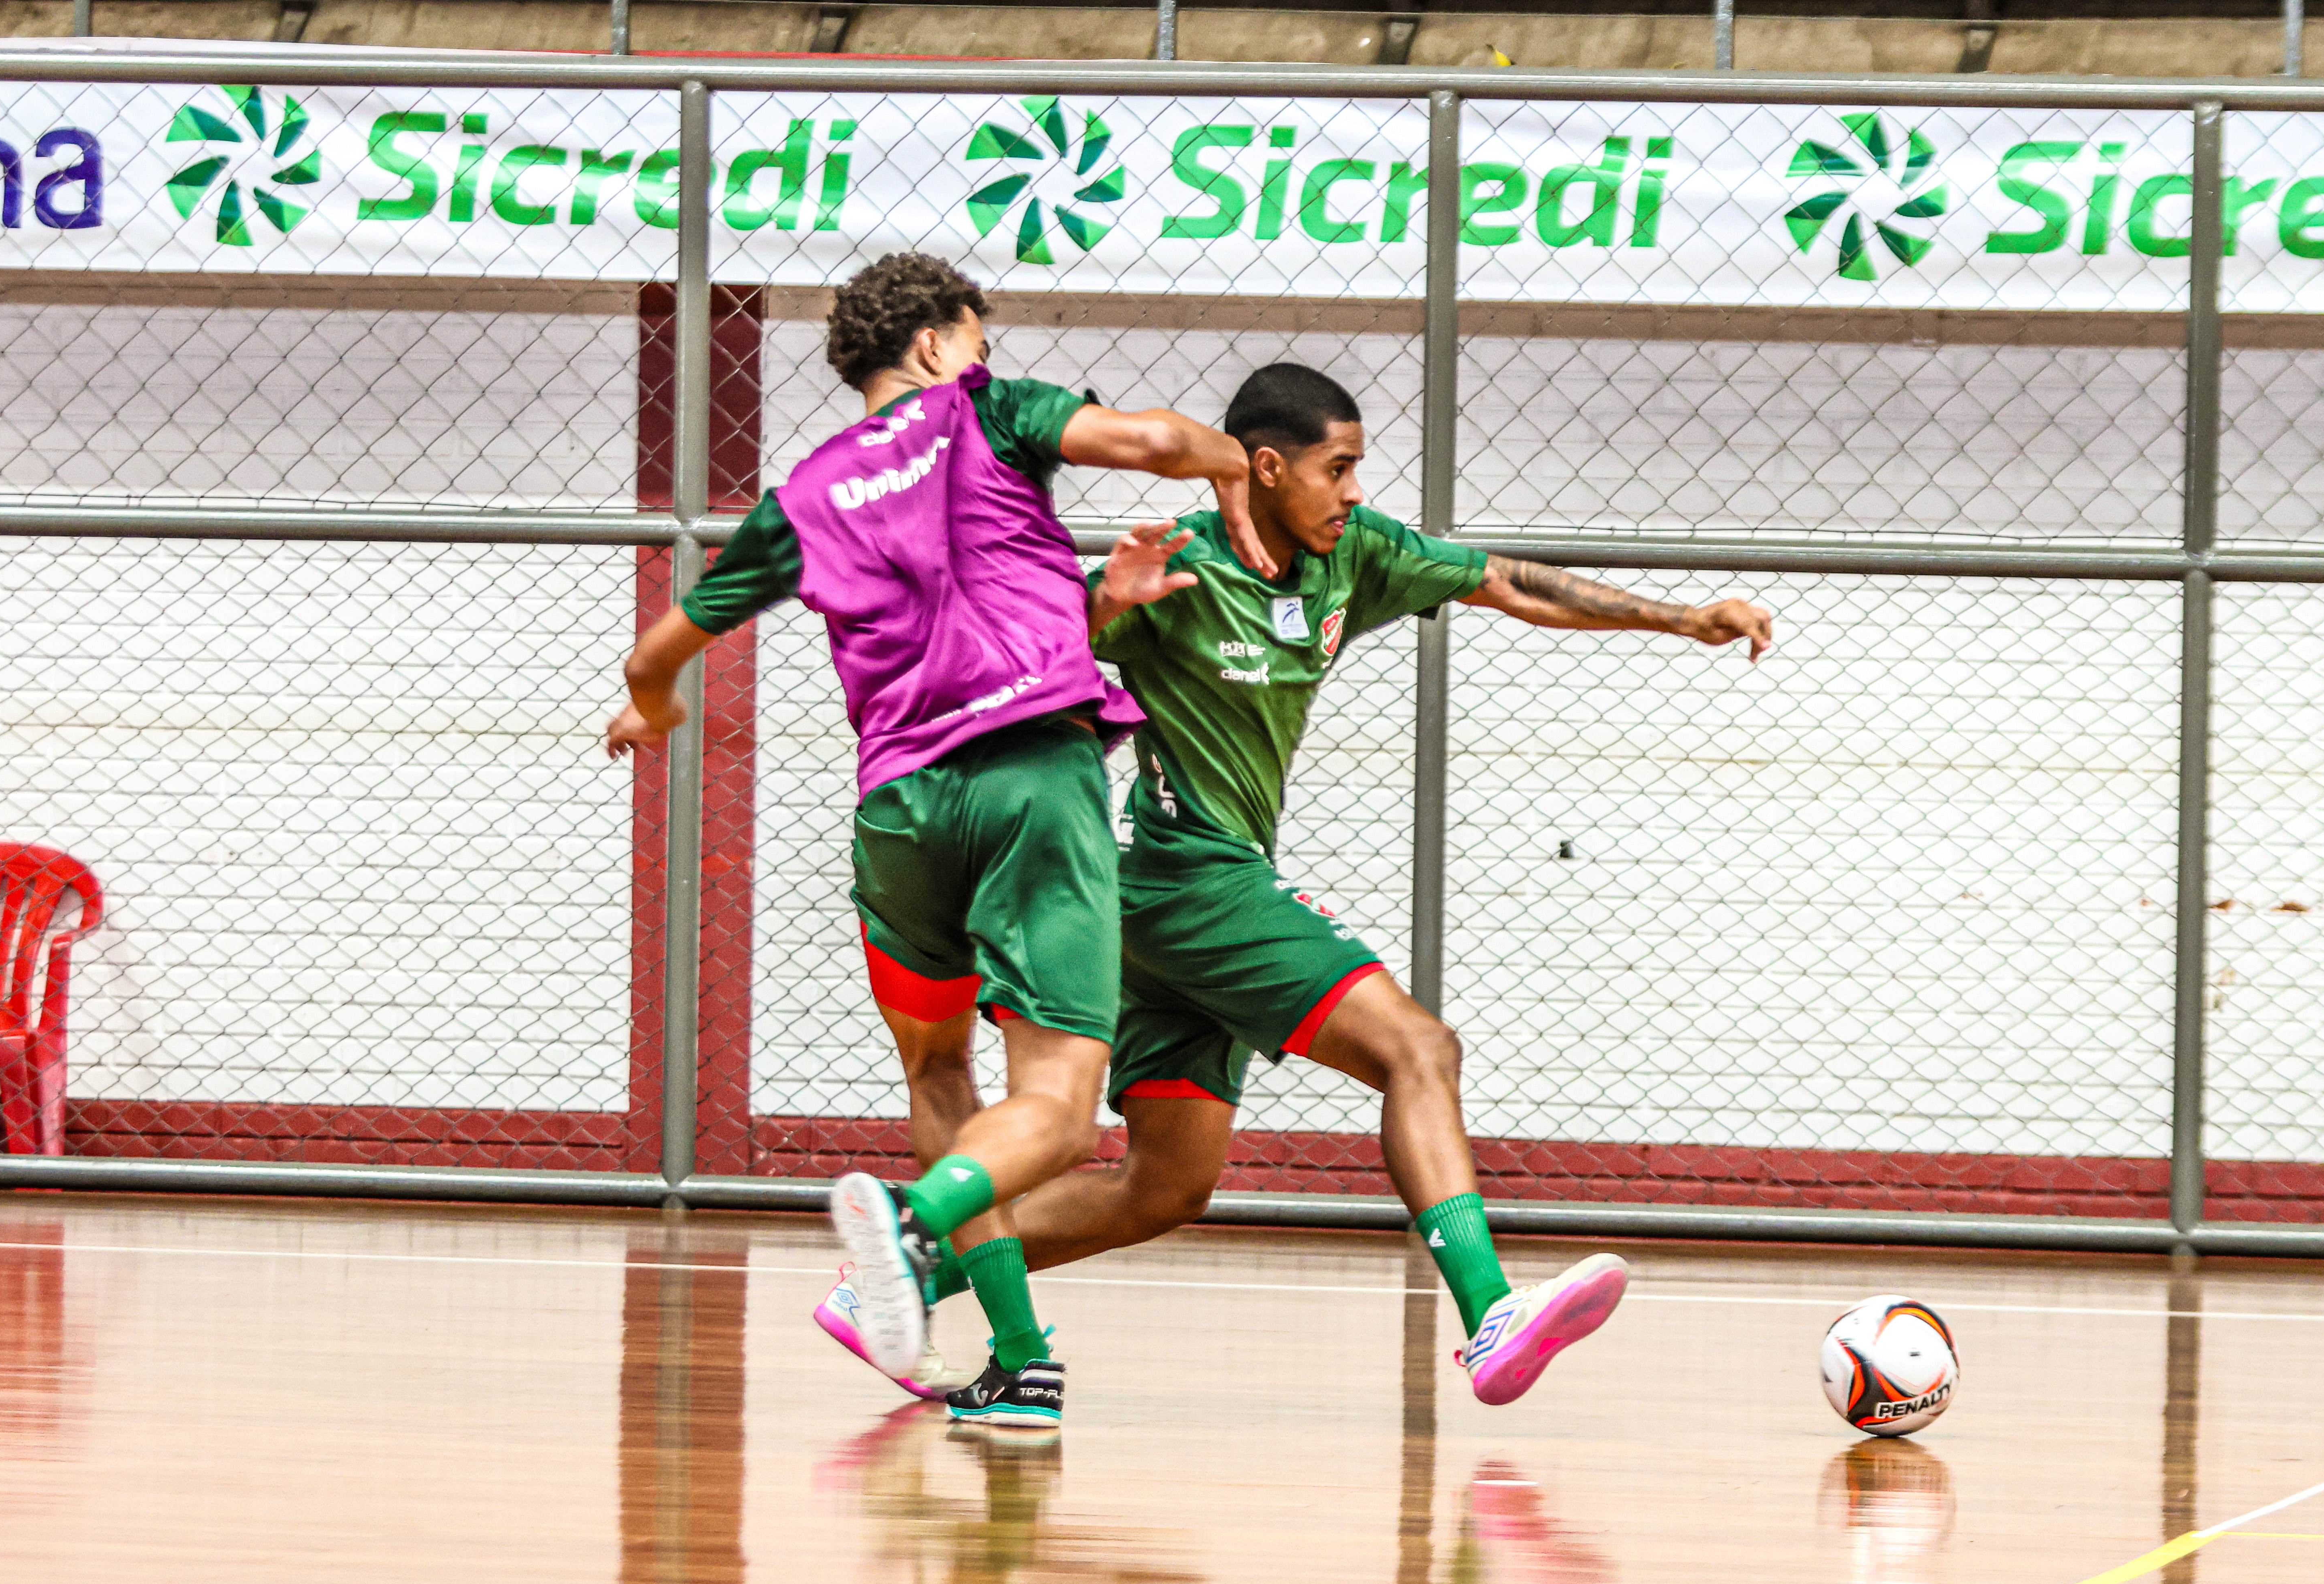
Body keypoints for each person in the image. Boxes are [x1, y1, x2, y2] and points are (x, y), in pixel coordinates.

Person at [1003, 361, 1774, 1403]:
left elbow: (1503, 581)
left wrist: (1681, 619)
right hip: (1184, 874)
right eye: (1337, 468)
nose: (1354, 490)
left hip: (1175, 904)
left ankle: (909, 1266)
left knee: (1163, 1186)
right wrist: (1101, 604)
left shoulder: (1351, 554)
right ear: (1265, 468)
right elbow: (1031, 667)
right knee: (1419, 1049)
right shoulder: (1180, 564)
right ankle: (1490, 1315)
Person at [604, 254, 1274, 1430]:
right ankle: (914, 1234)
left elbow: (655, 655)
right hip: (1032, 782)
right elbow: (1155, 442)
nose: (983, 357)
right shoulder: (987, 412)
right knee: (1059, 1105)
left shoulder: (803, 498)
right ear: (933, 346)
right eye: (976, 338)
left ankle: (1019, 1363)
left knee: (939, 1073)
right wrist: (1230, 467)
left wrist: (652, 714)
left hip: (902, 809)